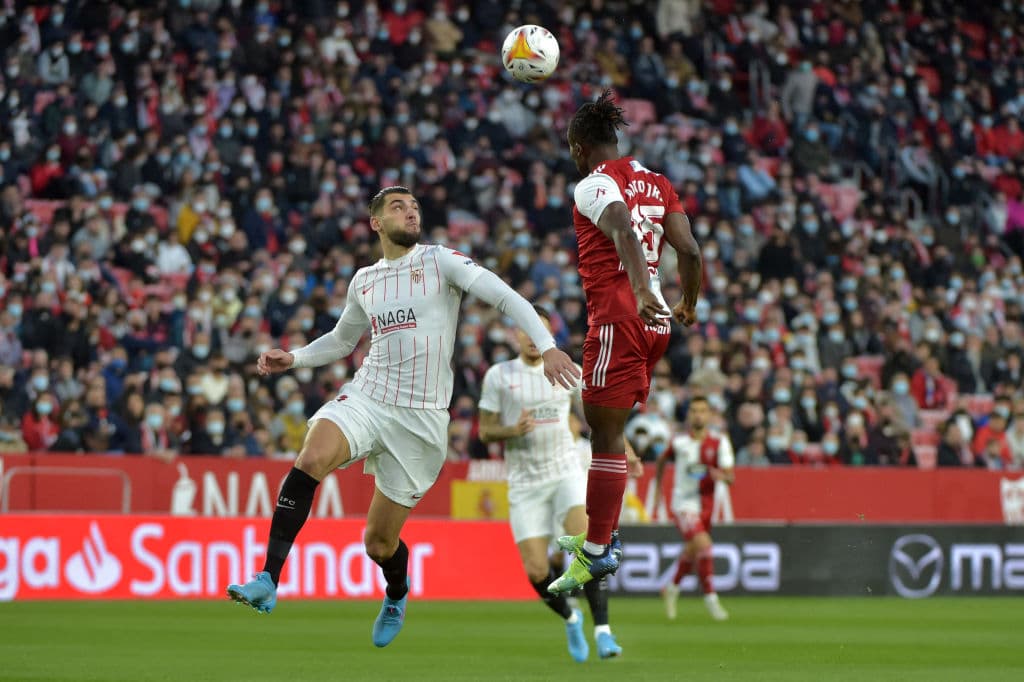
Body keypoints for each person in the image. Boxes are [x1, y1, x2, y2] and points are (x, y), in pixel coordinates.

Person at [226, 187, 579, 649]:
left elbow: (506, 297)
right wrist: (292, 359)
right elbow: (340, 341)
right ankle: (269, 578)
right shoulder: (364, 281)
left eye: (414, 208)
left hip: (421, 421)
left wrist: (548, 345)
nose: (410, 213)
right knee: (311, 457)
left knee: (378, 544)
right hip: (368, 395)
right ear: (375, 222)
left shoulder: (442, 261)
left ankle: (396, 592)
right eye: (398, 207)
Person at [550, 91, 702, 594]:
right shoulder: (658, 182)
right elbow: (690, 250)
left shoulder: (593, 184)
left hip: (620, 317)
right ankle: (600, 539)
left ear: (578, 148)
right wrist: (689, 305)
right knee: (609, 434)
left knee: (604, 435)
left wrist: (638, 290)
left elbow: (622, 232)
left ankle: (596, 550)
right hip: (657, 323)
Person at [478, 307, 628, 661]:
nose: (532, 337)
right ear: (517, 334)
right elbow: (485, 430)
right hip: (525, 483)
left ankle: (603, 631)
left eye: (540, 330)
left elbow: (597, 419)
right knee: (536, 570)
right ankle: (571, 617)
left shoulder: (567, 371)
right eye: (527, 330)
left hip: (565, 472)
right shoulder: (499, 376)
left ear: (550, 336)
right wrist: (510, 430)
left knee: (588, 547)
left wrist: (627, 447)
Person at [653, 396, 732, 621]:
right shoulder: (679, 442)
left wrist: (721, 475)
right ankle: (711, 598)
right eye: (694, 410)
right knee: (705, 546)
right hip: (683, 503)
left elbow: (730, 476)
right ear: (689, 415)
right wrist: (658, 488)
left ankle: (672, 587)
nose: (698, 415)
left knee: (692, 549)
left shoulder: (719, 442)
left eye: (702, 411)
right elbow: (661, 460)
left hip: (706, 506)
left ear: (709, 415)